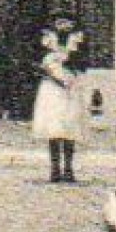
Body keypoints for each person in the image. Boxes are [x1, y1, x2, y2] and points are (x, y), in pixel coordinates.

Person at [31, 11, 86, 183]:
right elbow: (35, 59)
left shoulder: (78, 41)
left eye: (67, 23)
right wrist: (48, 68)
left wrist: (72, 62)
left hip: (71, 85)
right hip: (51, 87)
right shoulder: (46, 40)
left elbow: (84, 62)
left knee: (69, 125)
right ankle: (55, 168)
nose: (63, 26)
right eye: (59, 22)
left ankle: (68, 168)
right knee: (53, 125)